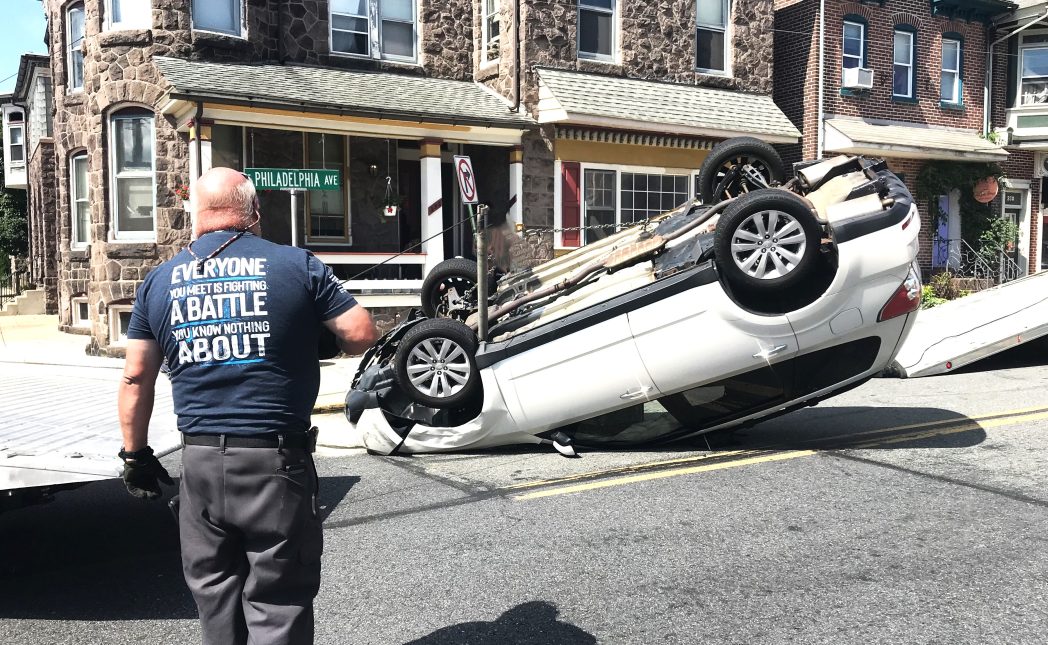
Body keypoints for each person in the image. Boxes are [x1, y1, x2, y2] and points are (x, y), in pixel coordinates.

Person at [117, 167, 378, 645]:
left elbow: (136, 375)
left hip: (197, 461)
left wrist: (135, 456)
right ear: (253, 212)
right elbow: (361, 333)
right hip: (274, 461)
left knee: (214, 594)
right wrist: (313, 336)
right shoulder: (296, 265)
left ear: (194, 216)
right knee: (277, 600)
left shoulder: (158, 282)